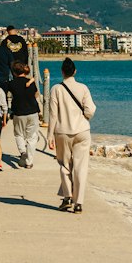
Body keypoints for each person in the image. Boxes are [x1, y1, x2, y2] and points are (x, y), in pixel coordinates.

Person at [47, 57, 96, 213]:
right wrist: (84, 117)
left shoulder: (56, 89)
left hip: (62, 132)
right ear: (75, 71)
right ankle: (79, 203)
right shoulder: (83, 88)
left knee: (64, 165)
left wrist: (49, 135)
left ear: (62, 72)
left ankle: (68, 197)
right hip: (82, 131)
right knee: (81, 167)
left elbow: (53, 115)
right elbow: (90, 110)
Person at [8, 58, 41, 168]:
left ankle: (23, 152)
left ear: (14, 72)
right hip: (32, 111)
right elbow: (36, 95)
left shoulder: (11, 84)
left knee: (19, 134)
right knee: (32, 137)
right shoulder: (30, 82)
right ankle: (29, 162)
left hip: (18, 112)